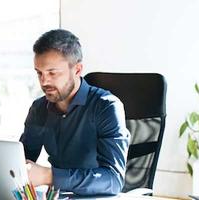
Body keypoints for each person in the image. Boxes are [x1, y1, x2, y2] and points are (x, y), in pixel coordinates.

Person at [19, 29, 130, 195]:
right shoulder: (39, 108)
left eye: (52, 72)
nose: (44, 81)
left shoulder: (107, 107)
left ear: (77, 70)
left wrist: (49, 176)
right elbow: (21, 161)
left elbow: (113, 180)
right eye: (39, 73)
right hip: (57, 196)